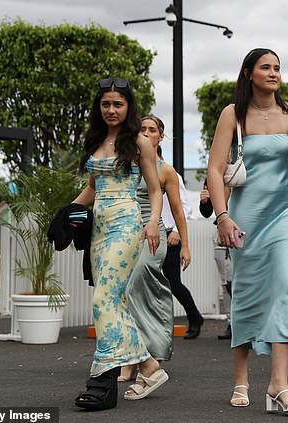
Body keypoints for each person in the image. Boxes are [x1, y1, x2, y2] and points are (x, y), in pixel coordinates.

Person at [207, 48, 288, 415]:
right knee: (245, 293)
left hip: (285, 217)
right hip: (244, 218)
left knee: (285, 288)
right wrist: (223, 217)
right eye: (266, 67)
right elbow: (216, 170)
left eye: (278, 67)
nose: (274, 72)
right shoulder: (233, 114)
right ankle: (241, 379)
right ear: (249, 73)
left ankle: (279, 385)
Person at [72, 78, 168, 410]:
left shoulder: (140, 142)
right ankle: (148, 366)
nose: (111, 110)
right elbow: (93, 188)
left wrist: (153, 222)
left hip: (127, 226)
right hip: (99, 228)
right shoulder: (96, 140)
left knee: (103, 299)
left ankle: (118, 370)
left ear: (128, 108)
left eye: (118, 104)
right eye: (105, 104)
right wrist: (68, 212)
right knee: (115, 302)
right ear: (99, 108)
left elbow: (155, 190)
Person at [118, 115, 191, 382]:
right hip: (126, 236)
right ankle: (132, 358)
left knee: (135, 285)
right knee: (126, 294)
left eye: (152, 130)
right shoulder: (125, 165)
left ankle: (150, 353)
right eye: (142, 129)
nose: (147, 133)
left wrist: (185, 244)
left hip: (154, 237)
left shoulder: (165, 170)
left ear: (160, 137)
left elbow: (178, 211)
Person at [162, 170, 202, 339]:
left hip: (170, 234)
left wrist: (177, 231)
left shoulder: (172, 174)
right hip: (146, 234)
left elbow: (185, 207)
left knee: (173, 283)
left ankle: (195, 317)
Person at [199, 178, 234, 339]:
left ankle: (247, 321)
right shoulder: (213, 176)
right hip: (220, 232)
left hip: (241, 230)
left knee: (239, 279)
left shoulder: (242, 173)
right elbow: (206, 212)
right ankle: (231, 322)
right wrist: (205, 201)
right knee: (225, 281)